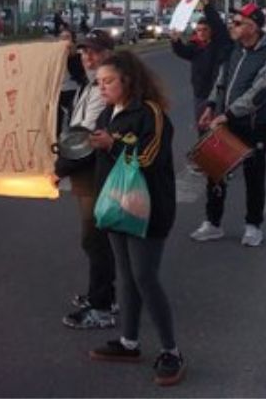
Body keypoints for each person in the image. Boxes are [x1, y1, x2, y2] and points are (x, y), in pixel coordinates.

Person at [82, 50, 185, 387]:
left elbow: (148, 157)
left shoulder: (150, 113)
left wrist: (111, 144)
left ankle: (171, 351)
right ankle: (129, 342)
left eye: (109, 81)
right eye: (99, 83)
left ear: (129, 79)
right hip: (114, 205)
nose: (103, 88)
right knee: (125, 276)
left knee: (145, 276)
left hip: (147, 208)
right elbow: (98, 148)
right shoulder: (108, 112)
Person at [194, 2, 266, 247]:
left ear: (253, 27)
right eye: (232, 22)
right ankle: (213, 223)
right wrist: (212, 106)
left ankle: (253, 225)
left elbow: (260, 93)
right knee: (215, 172)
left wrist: (230, 114)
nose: (232, 27)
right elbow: (221, 80)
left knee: (254, 175)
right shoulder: (235, 50)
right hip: (225, 121)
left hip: (254, 125)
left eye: (237, 23)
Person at [50, 31, 119, 331]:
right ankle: (103, 295)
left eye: (94, 52)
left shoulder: (104, 88)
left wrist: (59, 170)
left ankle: (102, 307)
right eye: (83, 53)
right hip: (85, 169)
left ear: (109, 53)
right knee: (96, 238)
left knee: (94, 238)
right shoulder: (90, 82)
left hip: (94, 169)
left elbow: (86, 138)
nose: (88, 58)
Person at [168, 0, 232, 137]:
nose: (201, 33)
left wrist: (207, 6)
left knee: (218, 130)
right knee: (202, 128)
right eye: (199, 30)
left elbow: (218, 26)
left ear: (211, 31)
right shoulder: (195, 46)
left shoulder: (219, 46)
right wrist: (175, 40)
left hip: (217, 94)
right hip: (200, 94)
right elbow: (182, 52)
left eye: (205, 30)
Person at [57, 27, 87, 136]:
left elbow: (80, 74)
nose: (64, 40)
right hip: (58, 91)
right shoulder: (55, 56)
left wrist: (72, 56)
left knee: (73, 117)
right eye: (62, 38)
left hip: (73, 90)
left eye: (67, 37)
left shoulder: (78, 56)